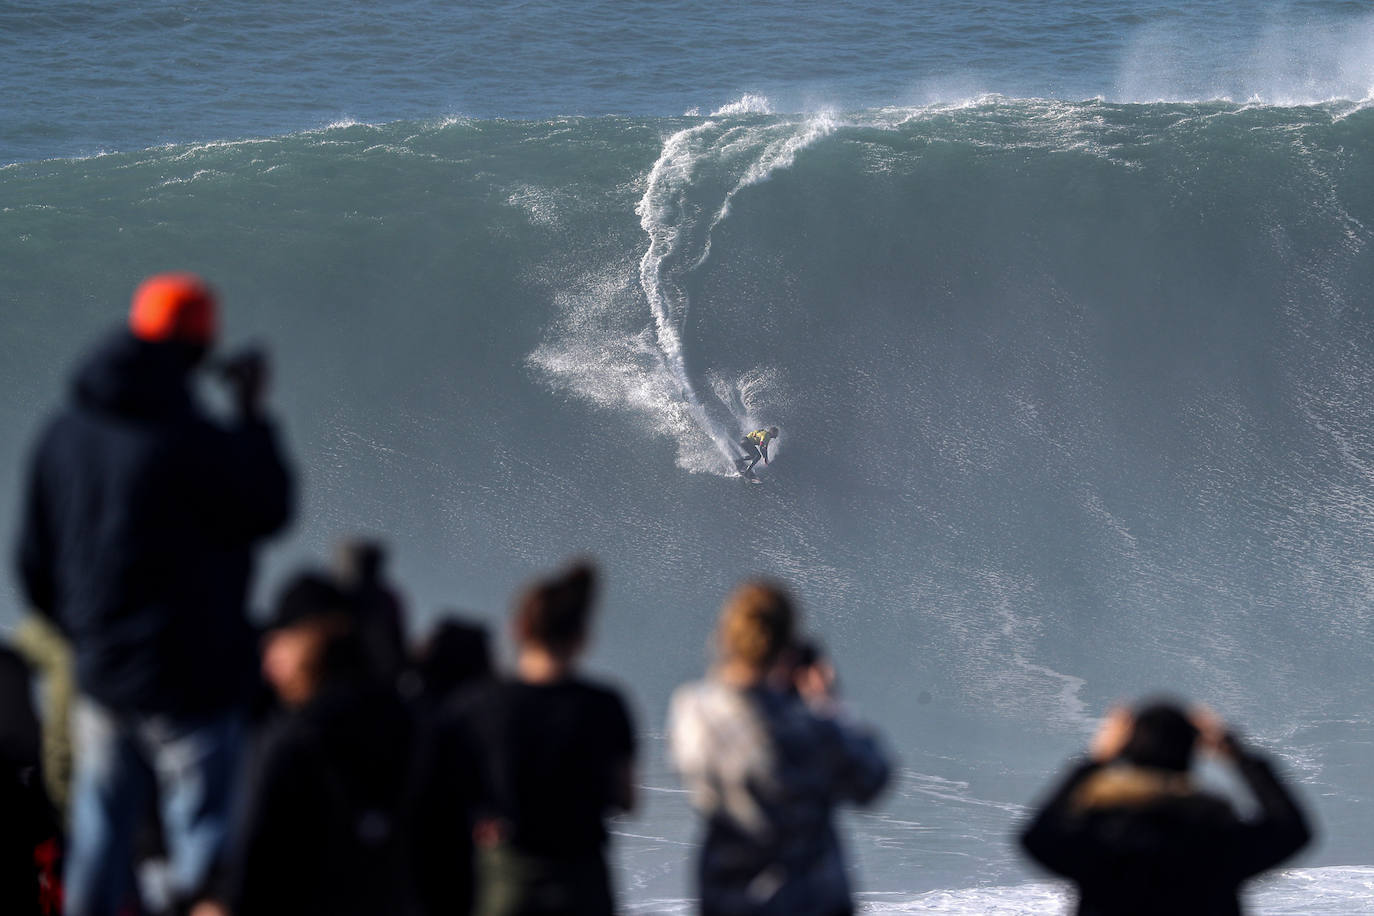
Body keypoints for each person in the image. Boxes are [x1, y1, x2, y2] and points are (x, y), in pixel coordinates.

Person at [13, 273, 293, 915]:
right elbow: (270, 507)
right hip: (191, 681)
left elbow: (32, 562)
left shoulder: (63, 434)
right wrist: (253, 415)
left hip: (104, 678)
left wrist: (88, 639)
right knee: (204, 844)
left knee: (99, 842)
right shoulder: (194, 441)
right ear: (199, 347)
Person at [414, 562, 636, 916]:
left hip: (509, 881)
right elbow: (625, 800)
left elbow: (453, 796)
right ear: (582, 636)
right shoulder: (604, 706)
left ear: (518, 628)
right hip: (582, 880)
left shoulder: (479, 707)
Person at [668, 583, 891, 916]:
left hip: (728, 898)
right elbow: (873, 778)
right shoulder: (811, 728)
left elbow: (730, 705)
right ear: (785, 645)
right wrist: (827, 703)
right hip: (810, 898)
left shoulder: (691, 710)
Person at [220, 572, 416, 916]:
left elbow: (257, 860)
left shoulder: (293, 738)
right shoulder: (413, 727)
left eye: (277, 640)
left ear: (305, 642)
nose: (268, 657)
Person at [1019, 699, 1312, 916]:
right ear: (1191, 755)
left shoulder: (1102, 837)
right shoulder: (1215, 839)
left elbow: (1036, 838)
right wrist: (1238, 755)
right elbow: (1291, 830)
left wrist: (1095, 760)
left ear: (1125, 752)